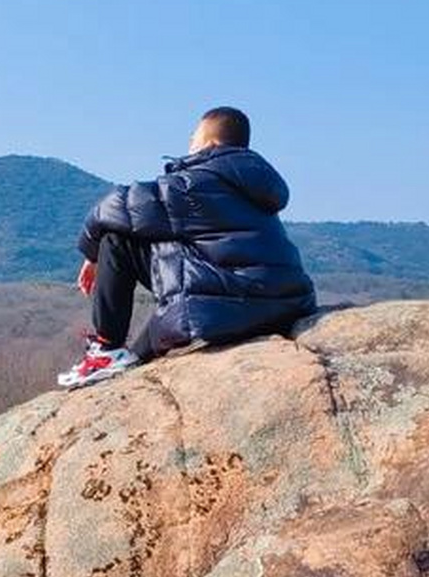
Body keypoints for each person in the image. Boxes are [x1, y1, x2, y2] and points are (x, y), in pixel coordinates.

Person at [58, 106, 316, 388]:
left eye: (193, 138)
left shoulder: (196, 183)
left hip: (231, 305)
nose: (189, 145)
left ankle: (105, 349)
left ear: (211, 143)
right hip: (284, 304)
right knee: (135, 358)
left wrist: (91, 253)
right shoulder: (253, 184)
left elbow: (118, 206)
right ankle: (125, 358)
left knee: (117, 238)